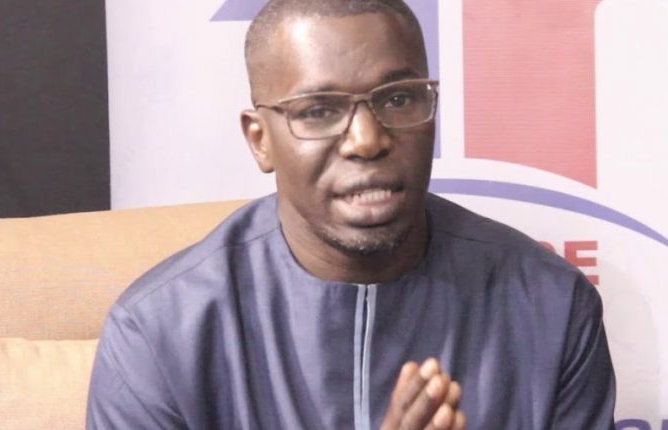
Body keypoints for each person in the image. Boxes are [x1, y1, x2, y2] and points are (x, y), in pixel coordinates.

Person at [86, 0, 616, 428]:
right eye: (319, 111)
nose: (366, 140)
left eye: (399, 99)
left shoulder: (549, 305)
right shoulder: (160, 332)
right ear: (260, 140)